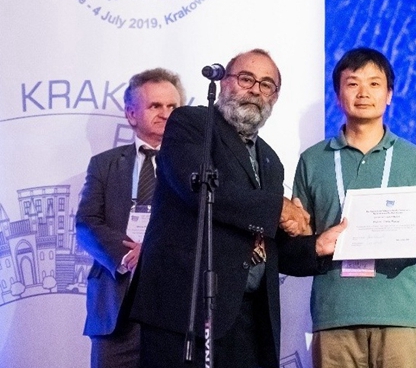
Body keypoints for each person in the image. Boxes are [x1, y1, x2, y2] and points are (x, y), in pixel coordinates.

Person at [129, 48, 312, 368]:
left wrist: (318, 245)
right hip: (185, 315)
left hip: (249, 319)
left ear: (275, 97)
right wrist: (279, 209)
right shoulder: (192, 124)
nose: (255, 90)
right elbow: (202, 191)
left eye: (266, 84)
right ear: (225, 82)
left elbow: (268, 242)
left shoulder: (271, 160)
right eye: (246, 79)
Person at [282, 47, 416, 368]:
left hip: (400, 313)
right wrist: (304, 234)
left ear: (389, 95)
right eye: (353, 83)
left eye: (374, 83)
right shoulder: (313, 160)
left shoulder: (415, 158)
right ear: (338, 96)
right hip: (335, 313)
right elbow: (300, 239)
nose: (363, 93)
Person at [76, 67, 186, 368]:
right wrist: (128, 255)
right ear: (131, 114)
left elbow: (199, 226)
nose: (165, 114)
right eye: (155, 106)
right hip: (115, 311)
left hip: (172, 313)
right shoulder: (103, 164)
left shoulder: (194, 168)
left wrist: (153, 250)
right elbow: (87, 222)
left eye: (172, 106)